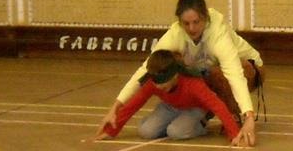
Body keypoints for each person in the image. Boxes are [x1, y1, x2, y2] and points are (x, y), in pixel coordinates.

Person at [99, 0, 264, 147]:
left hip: (250, 69)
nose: (191, 28)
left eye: (196, 22)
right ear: (179, 22)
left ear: (205, 17)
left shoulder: (218, 35)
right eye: (186, 23)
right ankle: (193, 113)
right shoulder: (175, 34)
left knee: (216, 75)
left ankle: (233, 118)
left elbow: (235, 75)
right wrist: (115, 108)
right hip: (204, 75)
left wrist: (248, 116)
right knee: (180, 67)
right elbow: (145, 70)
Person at [96, 50, 248, 145]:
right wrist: (111, 131)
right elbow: (133, 104)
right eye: (156, 84)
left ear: (175, 75)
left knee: (176, 132)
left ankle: (200, 124)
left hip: (195, 109)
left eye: (163, 84)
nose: (159, 87)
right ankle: (170, 125)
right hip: (170, 107)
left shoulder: (192, 83)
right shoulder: (153, 83)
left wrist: (235, 134)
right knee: (146, 132)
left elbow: (217, 105)